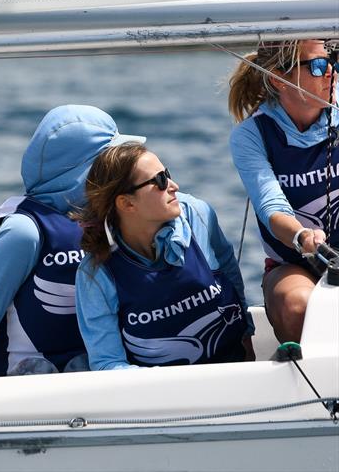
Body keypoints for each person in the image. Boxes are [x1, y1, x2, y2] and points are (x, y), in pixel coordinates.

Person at [0, 105, 144, 378]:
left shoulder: (113, 218)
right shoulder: (23, 231)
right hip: (32, 384)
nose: (123, 168)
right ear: (83, 171)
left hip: (98, 376)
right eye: (110, 160)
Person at [74, 143, 255, 370]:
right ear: (127, 203)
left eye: (167, 174)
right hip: (161, 394)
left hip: (235, 370)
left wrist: (247, 335)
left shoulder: (199, 214)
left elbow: (231, 276)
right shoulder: (95, 274)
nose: (173, 186)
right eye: (159, 181)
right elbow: (107, 363)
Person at [228, 39, 337, 343]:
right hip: (294, 263)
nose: (330, 72)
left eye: (333, 61)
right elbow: (271, 207)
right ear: (279, 78)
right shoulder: (252, 134)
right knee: (297, 307)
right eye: (317, 65)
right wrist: (303, 237)